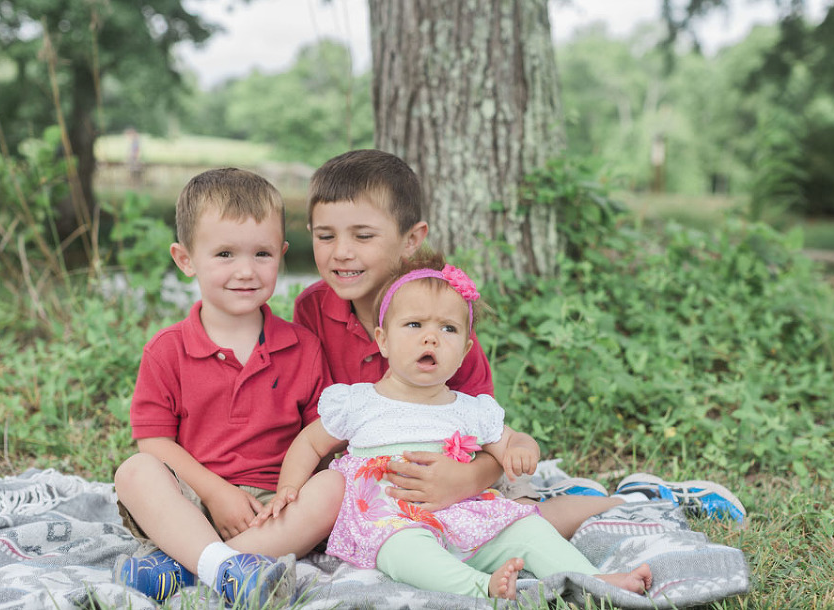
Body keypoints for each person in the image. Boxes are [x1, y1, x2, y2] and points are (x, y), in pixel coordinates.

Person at [293, 149, 747, 537]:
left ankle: (645, 501)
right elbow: (316, 421)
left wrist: (466, 481)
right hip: (371, 485)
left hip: (453, 479)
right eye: (325, 236)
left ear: (412, 239)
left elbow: (487, 431)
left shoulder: (444, 318)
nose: (341, 252)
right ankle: (575, 492)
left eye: (363, 236)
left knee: (522, 525)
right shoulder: (313, 309)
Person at [265, 255, 653, 599]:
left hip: (466, 518)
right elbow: (310, 444)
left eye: (448, 329)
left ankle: (596, 580)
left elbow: (507, 441)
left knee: (529, 531)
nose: (431, 337)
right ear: (383, 340)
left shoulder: (470, 409)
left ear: (466, 349)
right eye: (414, 324)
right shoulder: (358, 401)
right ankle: (479, 587)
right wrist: (289, 488)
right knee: (403, 551)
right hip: (392, 521)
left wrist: (522, 447)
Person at [113, 168, 345, 607]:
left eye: (262, 254)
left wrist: (288, 493)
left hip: (273, 509)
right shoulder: (167, 351)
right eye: (224, 254)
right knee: (134, 472)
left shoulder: (304, 347)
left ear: (282, 254)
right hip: (190, 500)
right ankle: (226, 568)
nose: (246, 271)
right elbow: (154, 441)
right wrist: (215, 493)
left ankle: (191, 566)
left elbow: (321, 439)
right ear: (185, 260)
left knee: (334, 487)